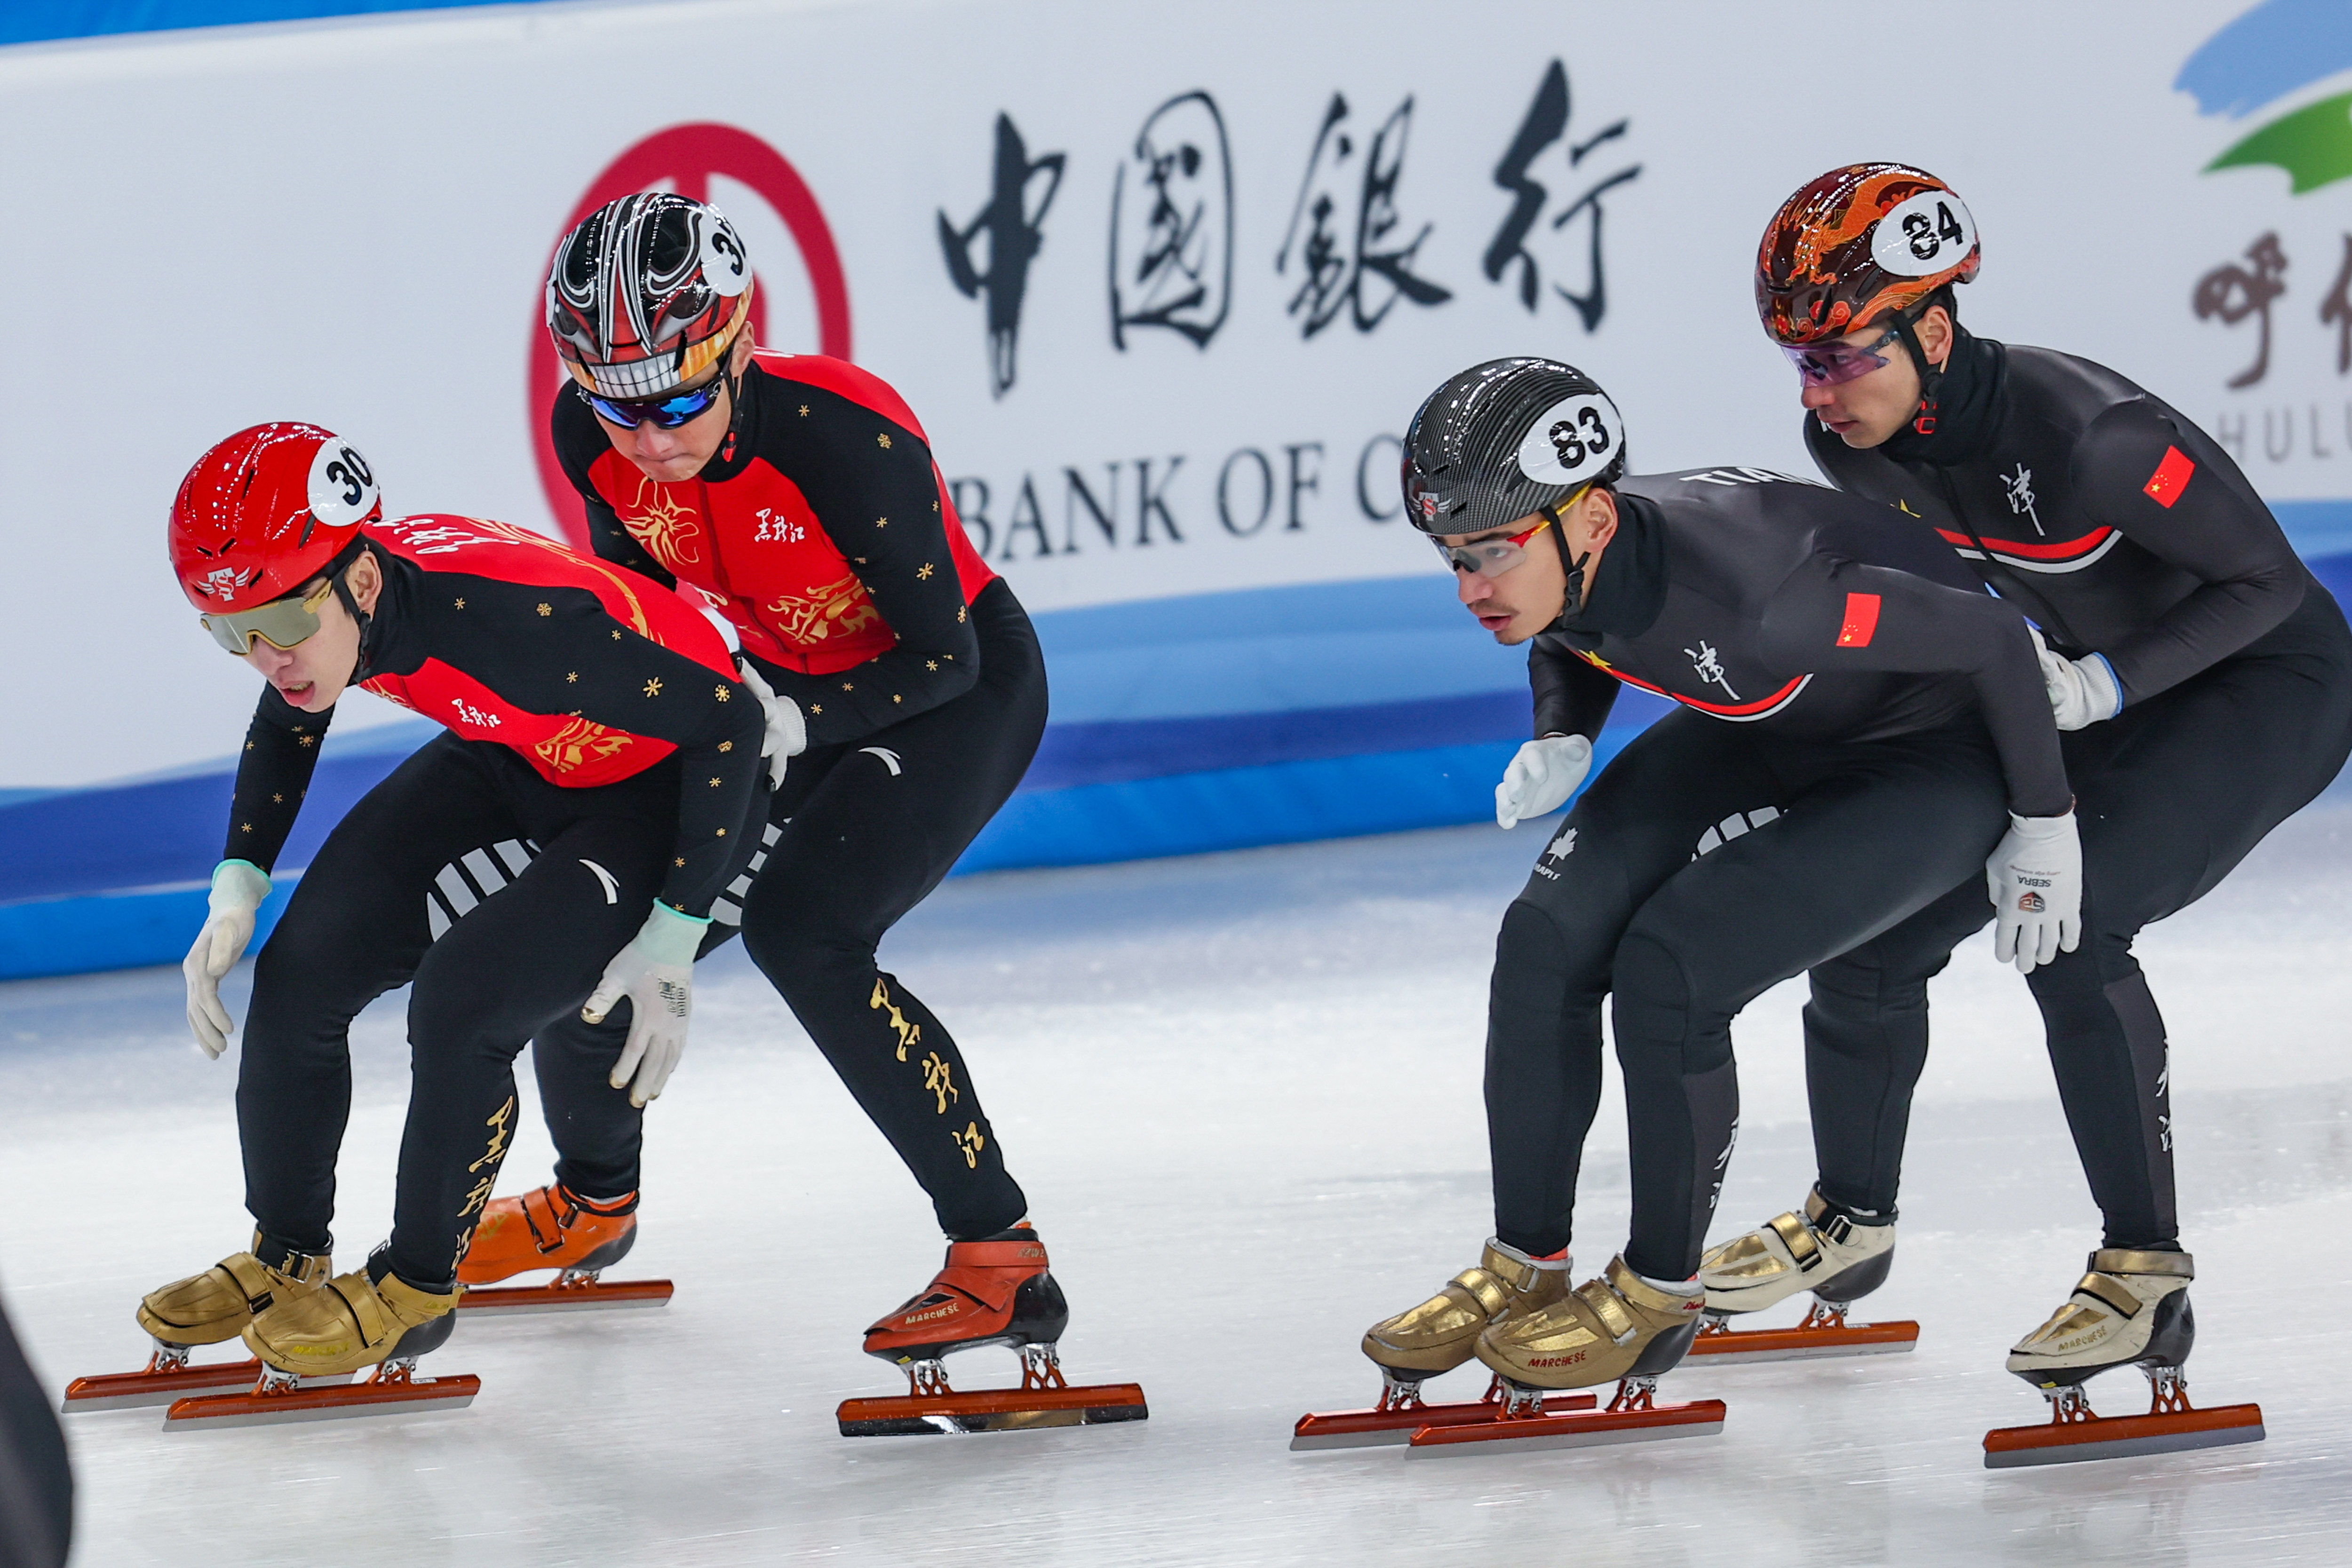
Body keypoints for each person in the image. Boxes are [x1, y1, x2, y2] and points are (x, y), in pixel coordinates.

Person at [1708, 163, 2352, 1416]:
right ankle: (1851, 1217)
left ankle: (2144, 1271)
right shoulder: (1851, 445)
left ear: (1933, 327)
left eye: (1840, 357)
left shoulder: (2096, 436)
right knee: (1876, 924)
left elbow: (2269, 584)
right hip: (2091, 689)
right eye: (1799, 362)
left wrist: (2109, 684)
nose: (1817, 393)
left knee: (2074, 915)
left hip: (2270, 686)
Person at [1356, 357, 2075, 1411]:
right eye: (1454, 559)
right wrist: (1564, 728)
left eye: (1492, 556)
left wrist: (2043, 818)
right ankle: (1526, 1260)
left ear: (1591, 519)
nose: (1472, 590)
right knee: (1543, 941)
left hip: (1930, 759)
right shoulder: (1580, 551)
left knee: (1671, 968)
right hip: (1773, 720)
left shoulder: (1767, 602)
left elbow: (1991, 640)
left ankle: (1657, 1291)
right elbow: (1566, 625)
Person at [509, 191, 1064, 1395]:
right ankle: (593, 1201)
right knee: (600, 910)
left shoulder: (843, 434)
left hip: (949, 690)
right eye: (617, 403)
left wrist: (796, 718)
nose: (646, 440)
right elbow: (643, 619)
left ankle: (999, 1248)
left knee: (805, 931)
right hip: (778, 691)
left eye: (674, 402)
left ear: (737, 344)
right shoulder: (584, 430)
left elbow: (945, 659)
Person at [140, 423, 763, 1386]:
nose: (269, 656)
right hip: (519, 750)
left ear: (364, 583)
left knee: (465, 1003)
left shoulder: (514, 622)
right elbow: (287, 711)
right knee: (302, 968)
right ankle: (286, 1252)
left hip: (667, 787)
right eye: (233, 634)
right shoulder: (330, 610)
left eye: (287, 626)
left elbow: (735, 721)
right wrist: (240, 879)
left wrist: (677, 931)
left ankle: (418, 1287)